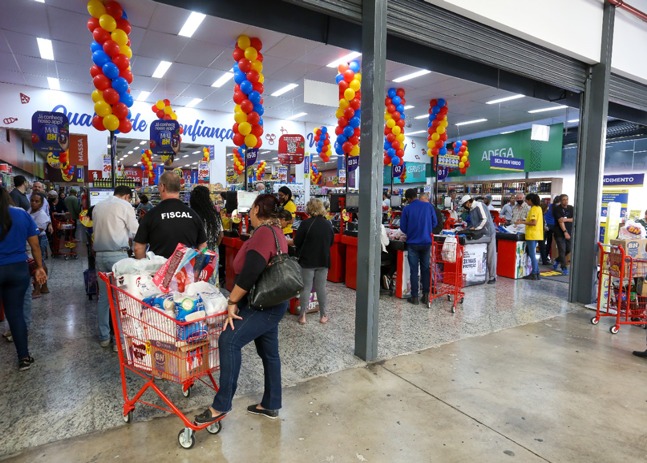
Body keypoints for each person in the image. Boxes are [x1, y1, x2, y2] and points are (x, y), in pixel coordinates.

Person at [194, 194, 290, 424]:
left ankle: (221, 405)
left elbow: (250, 273)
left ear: (257, 209)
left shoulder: (264, 233)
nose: (248, 213)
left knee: (229, 340)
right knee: (269, 353)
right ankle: (270, 404)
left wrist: (232, 302)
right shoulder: (277, 232)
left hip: (262, 304)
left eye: (250, 209)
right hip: (274, 301)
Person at [0, 186, 47, 370]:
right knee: (16, 314)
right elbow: (35, 246)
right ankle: (24, 357)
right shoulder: (21, 214)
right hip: (18, 269)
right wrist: (39, 267)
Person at [92, 186, 139, 350]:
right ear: (126, 196)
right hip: (118, 257)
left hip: (99, 256)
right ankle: (118, 341)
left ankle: (104, 337)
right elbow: (136, 231)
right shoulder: (125, 206)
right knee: (119, 299)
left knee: (104, 298)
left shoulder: (98, 206)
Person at [134, 172, 207, 259]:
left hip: (158, 270)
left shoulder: (151, 215)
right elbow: (203, 246)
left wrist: (144, 268)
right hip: (185, 270)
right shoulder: (193, 215)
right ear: (179, 187)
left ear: (162, 187)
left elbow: (138, 248)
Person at [294, 198, 334, 325]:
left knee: (306, 288)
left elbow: (297, 242)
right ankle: (323, 316)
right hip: (323, 260)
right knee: (321, 288)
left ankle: (303, 316)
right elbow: (331, 242)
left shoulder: (305, 224)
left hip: (307, 261)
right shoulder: (328, 224)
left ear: (309, 209)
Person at [400, 188, 437, 305]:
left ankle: (414, 297)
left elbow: (403, 227)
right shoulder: (428, 206)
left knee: (414, 271)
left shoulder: (407, 209)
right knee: (426, 269)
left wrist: (411, 232)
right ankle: (426, 296)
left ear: (408, 199)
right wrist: (426, 229)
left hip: (412, 244)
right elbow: (435, 223)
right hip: (426, 242)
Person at [459, 195, 497, 284]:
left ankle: (492, 277)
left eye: (464, 205)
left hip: (488, 233)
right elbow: (474, 222)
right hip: (481, 233)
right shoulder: (472, 209)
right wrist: (468, 228)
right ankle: (483, 275)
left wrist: (475, 228)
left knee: (491, 256)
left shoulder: (479, 205)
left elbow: (484, 220)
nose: (464, 207)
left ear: (468, 202)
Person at [190, 185, 223, 285]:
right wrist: (215, 246)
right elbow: (221, 234)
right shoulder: (214, 215)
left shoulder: (192, 215)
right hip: (212, 250)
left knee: (195, 279)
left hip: (196, 251)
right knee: (211, 279)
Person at [516, 193, 544, 281]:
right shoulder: (539, 208)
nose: (526, 202)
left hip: (532, 234)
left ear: (530, 200)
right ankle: (537, 272)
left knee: (532, 254)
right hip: (537, 234)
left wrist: (522, 222)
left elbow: (533, 222)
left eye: (527, 200)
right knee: (533, 254)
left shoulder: (534, 209)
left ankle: (534, 273)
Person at [29, 192, 50, 296]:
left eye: (37, 201)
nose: (34, 203)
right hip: (33, 239)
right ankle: (44, 286)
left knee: (38, 263)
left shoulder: (41, 214)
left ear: (41, 204)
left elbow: (36, 231)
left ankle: (37, 289)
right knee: (40, 263)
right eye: (32, 200)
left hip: (39, 239)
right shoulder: (30, 211)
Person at [552, 194, 574, 276]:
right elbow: (560, 222)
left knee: (569, 249)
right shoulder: (557, 209)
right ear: (561, 201)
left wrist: (566, 219)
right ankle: (564, 267)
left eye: (567, 199)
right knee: (562, 250)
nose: (566, 201)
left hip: (569, 231)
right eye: (564, 199)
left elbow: (574, 218)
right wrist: (565, 232)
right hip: (559, 233)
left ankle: (557, 260)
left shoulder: (571, 208)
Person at [542, 196, 560, 265]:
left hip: (545, 225)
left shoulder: (549, 206)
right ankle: (546, 256)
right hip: (552, 226)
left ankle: (543, 257)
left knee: (543, 242)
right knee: (549, 243)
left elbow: (544, 214)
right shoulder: (557, 208)